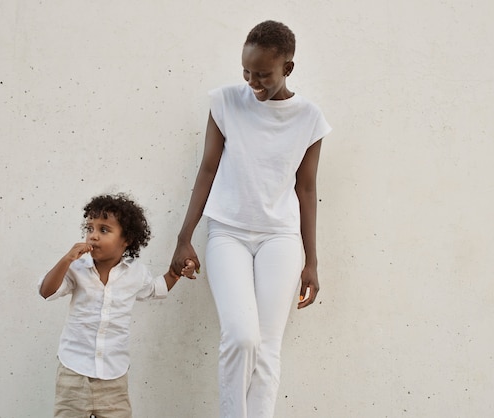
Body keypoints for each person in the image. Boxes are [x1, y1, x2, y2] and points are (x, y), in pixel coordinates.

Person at [170, 20, 332, 418]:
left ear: (287, 69)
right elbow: (207, 169)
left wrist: (311, 261)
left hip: (280, 237)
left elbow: (306, 190)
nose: (252, 82)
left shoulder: (309, 118)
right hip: (228, 232)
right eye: (247, 72)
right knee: (241, 337)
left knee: (267, 347)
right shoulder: (225, 102)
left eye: (263, 75)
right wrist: (184, 236)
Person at [39, 193, 195, 418]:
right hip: (73, 374)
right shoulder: (76, 269)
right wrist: (66, 260)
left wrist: (176, 272)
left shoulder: (135, 273)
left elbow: (156, 288)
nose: (93, 236)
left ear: (127, 239)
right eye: (90, 228)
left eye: (104, 230)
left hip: (114, 377)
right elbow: (47, 291)